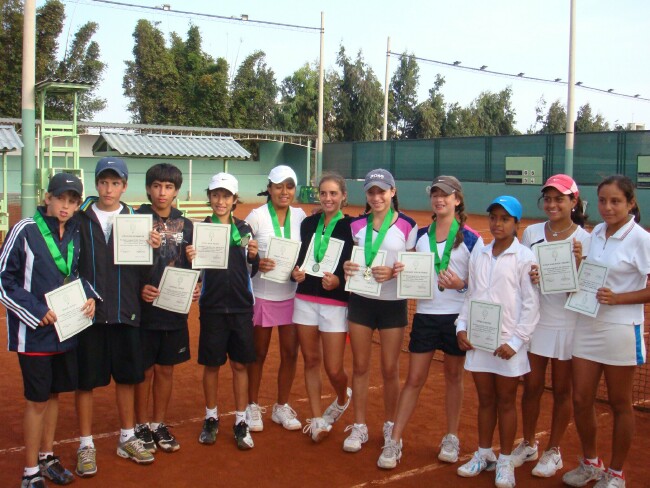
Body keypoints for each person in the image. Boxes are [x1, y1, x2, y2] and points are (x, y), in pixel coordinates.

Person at [378, 176, 483, 469]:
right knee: (413, 379)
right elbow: (411, 269)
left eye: (445, 195)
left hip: (456, 319)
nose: (439, 199)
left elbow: (482, 283)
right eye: (435, 195)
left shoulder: (473, 239)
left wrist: (462, 284)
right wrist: (402, 268)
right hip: (425, 316)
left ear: (457, 200)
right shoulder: (420, 235)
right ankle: (394, 440)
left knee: (454, 378)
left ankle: (451, 436)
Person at [0, 173, 96, 488]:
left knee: (54, 395)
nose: (65, 206)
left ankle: (47, 456)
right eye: (60, 199)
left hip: (65, 331)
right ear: (48, 198)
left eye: (72, 201)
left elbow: (78, 274)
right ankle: (30, 472)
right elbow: (4, 279)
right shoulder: (24, 230)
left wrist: (91, 297)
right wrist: (35, 311)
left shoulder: (75, 233)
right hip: (34, 333)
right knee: (37, 400)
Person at [74, 157, 160, 476]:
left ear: (124, 187)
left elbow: (144, 273)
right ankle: (85, 443)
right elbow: (69, 265)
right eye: (103, 182)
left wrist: (152, 249)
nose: (108, 189)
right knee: (86, 381)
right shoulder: (80, 220)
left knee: (126, 378)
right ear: (96, 184)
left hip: (126, 312)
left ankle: (127, 437)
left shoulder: (136, 219)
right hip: (90, 316)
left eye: (115, 183)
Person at [562, 175, 650, 488]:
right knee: (582, 398)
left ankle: (616, 473)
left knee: (620, 403)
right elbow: (587, 274)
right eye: (602, 201)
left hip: (621, 328)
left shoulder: (640, 238)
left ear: (630, 204)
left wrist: (619, 298)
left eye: (615, 201)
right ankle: (590, 463)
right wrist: (576, 262)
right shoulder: (595, 232)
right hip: (587, 325)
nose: (608, 207)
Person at [455, 196, 539, 488]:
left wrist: (516, 342)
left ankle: (505, 460)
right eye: (494, 217)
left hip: (507, 344)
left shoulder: (525, 257)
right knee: (485, 401)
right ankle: (483, 453)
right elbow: (471, 294)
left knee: (506, 402)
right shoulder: (480, 252)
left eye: (505, 219)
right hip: (479, 341)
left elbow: (531, 305)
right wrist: (462, 327)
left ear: (517, 224)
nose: (497, 223)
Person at [516, 174, 590, 477]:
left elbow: (588, 288)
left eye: (559, 198)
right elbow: (521, 274)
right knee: (531, 387)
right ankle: (529, 443)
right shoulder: (531, 232)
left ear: (573, 202)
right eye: (547, 198)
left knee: (562, 390)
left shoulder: (587, 239)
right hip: (536, 321)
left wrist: (577, 265)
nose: (552, 204)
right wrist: (529, 277)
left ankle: (554, 450)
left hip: (568, 323)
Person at [342, 168, 418, 453]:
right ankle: (359, 426)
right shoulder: (356, 226)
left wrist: (397, 272)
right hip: (361, 300)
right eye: (372, 192)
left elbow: (412, 266)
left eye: (382, 191)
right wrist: (347, 266)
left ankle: (389, 425)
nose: (376, 197)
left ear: (392, 193)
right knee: (360, 367)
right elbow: (349, 262)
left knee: (389, 369)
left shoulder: (408, 226)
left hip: (393, 304)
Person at [186, 173, 259, 450]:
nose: (220, 200)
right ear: (210, 197)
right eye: (216, 195)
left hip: (241, 307)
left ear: (234, 200)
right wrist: (191, 259)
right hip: (213, 307)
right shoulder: (200, 229)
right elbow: (194, 270)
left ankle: (241, 421)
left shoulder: (245, 229)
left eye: (226, 196)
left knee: (240, 365)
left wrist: (253, 254)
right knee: (212, 364)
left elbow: (253, 264)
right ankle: (211, 417)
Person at [134, 163, 197, 454]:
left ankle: (158, 423)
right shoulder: (134, 219)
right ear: (148, 188)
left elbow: (193, 266)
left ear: (176, 191)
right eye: (157, 186)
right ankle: (140, 425)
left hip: (174, 310)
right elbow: (123, 264)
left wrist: (197, 286)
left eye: (169, 187)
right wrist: (138, 289)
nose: (162, 192)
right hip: (143, 310)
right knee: (144, 371)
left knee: (166, 370)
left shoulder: (187, 225)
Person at [291, 173, 354, 442]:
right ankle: (317, 419)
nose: (328, 198)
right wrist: (295, 272)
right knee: (311, 360)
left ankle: (342, 396)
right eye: (324, 193)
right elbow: (299, 257)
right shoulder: (307, 223)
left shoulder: (352, 227)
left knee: (334, 368)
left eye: (333, 194)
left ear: (343, 197)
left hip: (335, 303)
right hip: (304, 298)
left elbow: (354, 266)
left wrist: (339, 280)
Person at [244, 165, 307, 432]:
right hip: (262, 296)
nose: (284, 192)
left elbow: (306, 253)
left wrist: (300, 271)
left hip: (292, 296)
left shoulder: (301, 216)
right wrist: (257, 261)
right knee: (258, 353)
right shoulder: (256, 216)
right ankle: (252, 406)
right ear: (269, 188)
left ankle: (281, 406)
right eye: (279, 186)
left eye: (289, 186)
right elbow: (243, 254)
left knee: (290, 353)